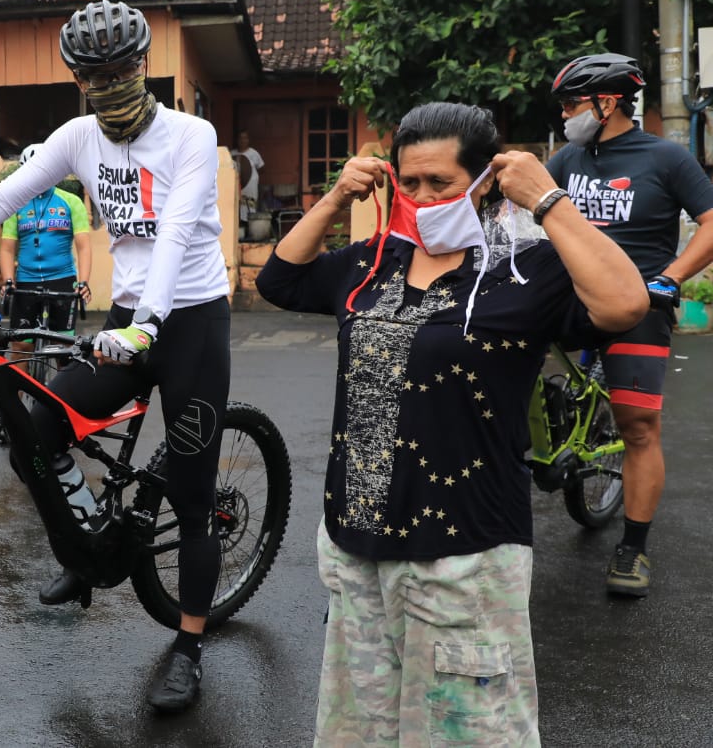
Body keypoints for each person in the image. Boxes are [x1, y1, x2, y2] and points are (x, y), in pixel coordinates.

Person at [256, 102, 648, 745]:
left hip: (464, 553)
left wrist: (549, 201)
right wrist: (333, 200)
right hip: (357, 545)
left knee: (468, 732)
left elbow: (626, 302)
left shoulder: (523, 270)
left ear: (484, 180)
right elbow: (279, 280)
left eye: (440, 183)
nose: (420, 196)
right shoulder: (374, 262)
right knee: (363, 729)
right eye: (408, 183)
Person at [0, 0, 230, 712]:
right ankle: (87, 542)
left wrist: (146, 327)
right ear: (77, 78)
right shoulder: (77, 138)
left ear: (143, 65)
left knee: (193, 498)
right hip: (129, 316)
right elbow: (0, 199)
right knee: (38, 426)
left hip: (190, 317)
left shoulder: (191, 135)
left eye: (120, 68)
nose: (107, 83)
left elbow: (174, 236)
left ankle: (189, 644)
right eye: (92, 74)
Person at [547, 53, 713, 597]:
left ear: (608, 102)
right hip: (567, 299)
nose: (566, 114)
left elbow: (710, 222)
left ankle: (633, 549)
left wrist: (672, 275)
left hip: (638, 302)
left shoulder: (664, 157)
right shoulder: (566, 158)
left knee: (637, 425)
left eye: (572, 103)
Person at [0, 143, 93, 351]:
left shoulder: (71, 202)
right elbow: (6, 248)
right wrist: (8, 280)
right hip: (26, 281)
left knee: (62, 348)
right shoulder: (17, 204)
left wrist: (84, 282)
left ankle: (61, 384)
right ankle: (22, 385)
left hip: (62, 280)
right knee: (20, 345)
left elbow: (84, 246)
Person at [231, 130, 265, 236]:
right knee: (237, 208)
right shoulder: (232, 154)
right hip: (237, 186)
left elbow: (262, 168)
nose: (243, 140)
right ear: (237, 140)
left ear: (248, 140)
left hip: (251, 185)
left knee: (250, 207)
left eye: (245, 138)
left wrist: (251, 177)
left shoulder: (253, 153)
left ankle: (251, 231)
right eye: (240, 138)